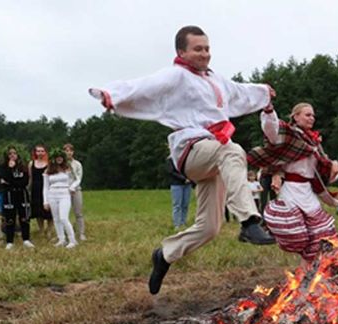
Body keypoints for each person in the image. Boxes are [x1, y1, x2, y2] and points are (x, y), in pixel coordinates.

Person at [89, 25, 275, 295]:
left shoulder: (215, 79)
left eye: (207, 48)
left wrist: (263, 93)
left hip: (214, 154)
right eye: (197, 49)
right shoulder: (176, 76)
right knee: (233, 150)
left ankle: (164, 255)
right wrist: (111, 94)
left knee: (209, 228)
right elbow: (145, 85)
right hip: (192, 149)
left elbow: (240, 93)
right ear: (181, 52)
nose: (204, 54)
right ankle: (248, 222)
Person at [248, 102, 338, 262]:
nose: (312, 118)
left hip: (308, 192)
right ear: (296, 116)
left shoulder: (314, 142)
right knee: (297, 235)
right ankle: (270, 218)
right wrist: (269, 110)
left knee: (321, 236)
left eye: (313, 115)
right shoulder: (289, 134)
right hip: (291, 190)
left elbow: (319, 172)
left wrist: (333, 167)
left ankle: (312, 274)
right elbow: (271, 130)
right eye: (307, 114)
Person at [0, 146, 34, 250]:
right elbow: (3, 179)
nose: (12, 155)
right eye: (10, 153)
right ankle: (9, 241)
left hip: (22, 194)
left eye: (14, 153)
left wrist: (11, 182)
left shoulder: (23, 167)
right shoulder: (3, 167)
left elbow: (25, 181)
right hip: (9, 194)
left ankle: (26, 239)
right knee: (9, 218)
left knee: (24, 217)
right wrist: (10, 169)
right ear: (7, 156)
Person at [43, 149, 77, 248]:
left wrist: (72, 187)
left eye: (61, 157)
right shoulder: (48, 171)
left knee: (63, 218)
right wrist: (45, 201)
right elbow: (45, 187)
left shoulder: (67, 169)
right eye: (57, 157)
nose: (59, 159)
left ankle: (72, 240)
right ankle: (61, 239)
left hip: (64, 194)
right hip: (52, 194)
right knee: (56, 218)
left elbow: (75, 180)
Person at [28, 144, 53, 237]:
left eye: (42, 151)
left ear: (45, 152)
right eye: (38, 151)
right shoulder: (31, 163)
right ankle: (41, 230)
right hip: (36, 189)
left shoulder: (50, 163)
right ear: (35, 152)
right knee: (38, 210)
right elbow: (30, 178)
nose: (40, 153)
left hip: (47, 188)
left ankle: (49, 230)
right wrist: (29, 190)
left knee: (50, 211)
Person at [63, 144, 86, 241]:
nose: (68, 152)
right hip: (63, 191)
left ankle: (81, 233)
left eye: (70, 151)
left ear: (73, 152)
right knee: (64, 214)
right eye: (66, 151)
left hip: (76, 190)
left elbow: (79, 178)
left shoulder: (77, 164)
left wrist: (72, 188)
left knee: (78, 212)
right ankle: (65, 234)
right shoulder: (60, 164)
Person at [168, 156, 192, 229]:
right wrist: (183, 179)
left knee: (185, 204)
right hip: (176, 184)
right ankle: (177, 224)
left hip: (187, 184)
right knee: (177, 205)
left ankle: (183, 222)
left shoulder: (186, 159)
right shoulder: (171, 159)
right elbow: (171, 172)